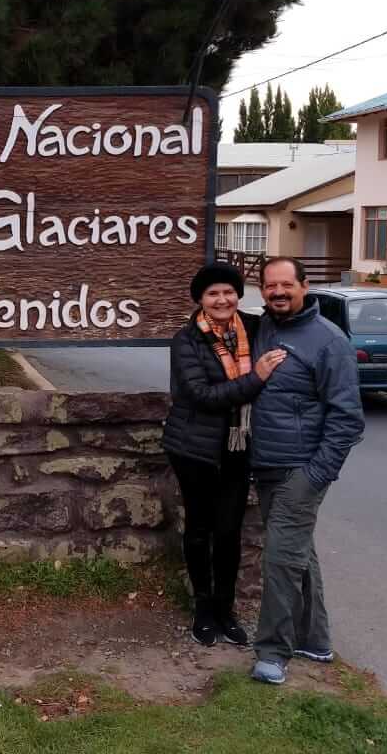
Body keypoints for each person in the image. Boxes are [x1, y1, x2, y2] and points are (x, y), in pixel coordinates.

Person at [249, 256, 364, 685]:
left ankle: (273, 652)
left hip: (303, 469)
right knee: (299, 553)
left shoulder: (329, 341)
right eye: (270, 286)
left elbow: (348, 418)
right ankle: (314, 639)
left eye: (286, 285)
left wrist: (318, 473)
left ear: (305, 285)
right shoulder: (263, 328)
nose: (278, 292)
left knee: (280, 557)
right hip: (267, 464)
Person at [165, 262, 288, 647]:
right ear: (201, 300)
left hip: (238, 446)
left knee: (230, 531)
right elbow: (202, 396)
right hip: (194, 449)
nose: (222, 300)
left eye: (228, 292)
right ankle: (202, 608)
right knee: (200, 529)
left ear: (239, 295)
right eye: (213, 294)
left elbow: (289, 314)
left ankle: (225, 608)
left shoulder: (252, 328)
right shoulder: (186, 341)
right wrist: (257, 378)